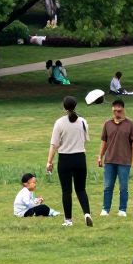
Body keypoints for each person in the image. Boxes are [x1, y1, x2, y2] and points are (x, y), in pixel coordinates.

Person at [46, 96, 93, 227]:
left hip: (65, 159)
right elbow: (85, 139)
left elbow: (54, 144)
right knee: (81, 189)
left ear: (64, 107)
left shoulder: (60, 123)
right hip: (80, 158)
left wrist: (49, 161)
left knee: (67, 191)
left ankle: (68, 220)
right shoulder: (83, 121)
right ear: (75, 106)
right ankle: (87, 213)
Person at [98, 99, 133, 217]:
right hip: (109, 160)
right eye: (115, 111)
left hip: (124, 161)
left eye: (119, 110)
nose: (117, 113)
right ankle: (105, 209)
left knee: (123, 187)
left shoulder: (130, 125)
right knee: (107, 186)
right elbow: (104, 141)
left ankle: (122, 209)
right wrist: (100, 156)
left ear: (123, 110)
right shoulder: (107, 124)